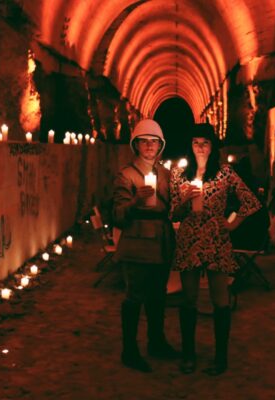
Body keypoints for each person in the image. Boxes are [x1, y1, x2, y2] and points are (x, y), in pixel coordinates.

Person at [170, 123, 261, 376]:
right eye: (196, 141)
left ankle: (220, 358)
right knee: (188, 300)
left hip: (216, 240)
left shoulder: (224, 173)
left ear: (213, 146)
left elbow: (251, 201)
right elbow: (173, 212)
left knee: (220, 300)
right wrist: (184, 202)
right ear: (190, 145)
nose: (200, 146)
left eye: (205, 142)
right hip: (189, 240)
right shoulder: (179, 174)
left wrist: (232, 224)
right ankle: (189, 355)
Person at [112, 119, 178, 372]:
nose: (149, 146)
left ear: (160, 145)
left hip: (161, 241)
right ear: (136, 145)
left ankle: (156, 342)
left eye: (154, 141)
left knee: (158, 295)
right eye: (144, 141)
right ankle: (129, 350)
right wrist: (134, 203)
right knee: (134, 296)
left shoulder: (166, 174)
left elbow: (172, 207)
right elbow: (118, 214)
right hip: (137, 244)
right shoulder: (126, 175)